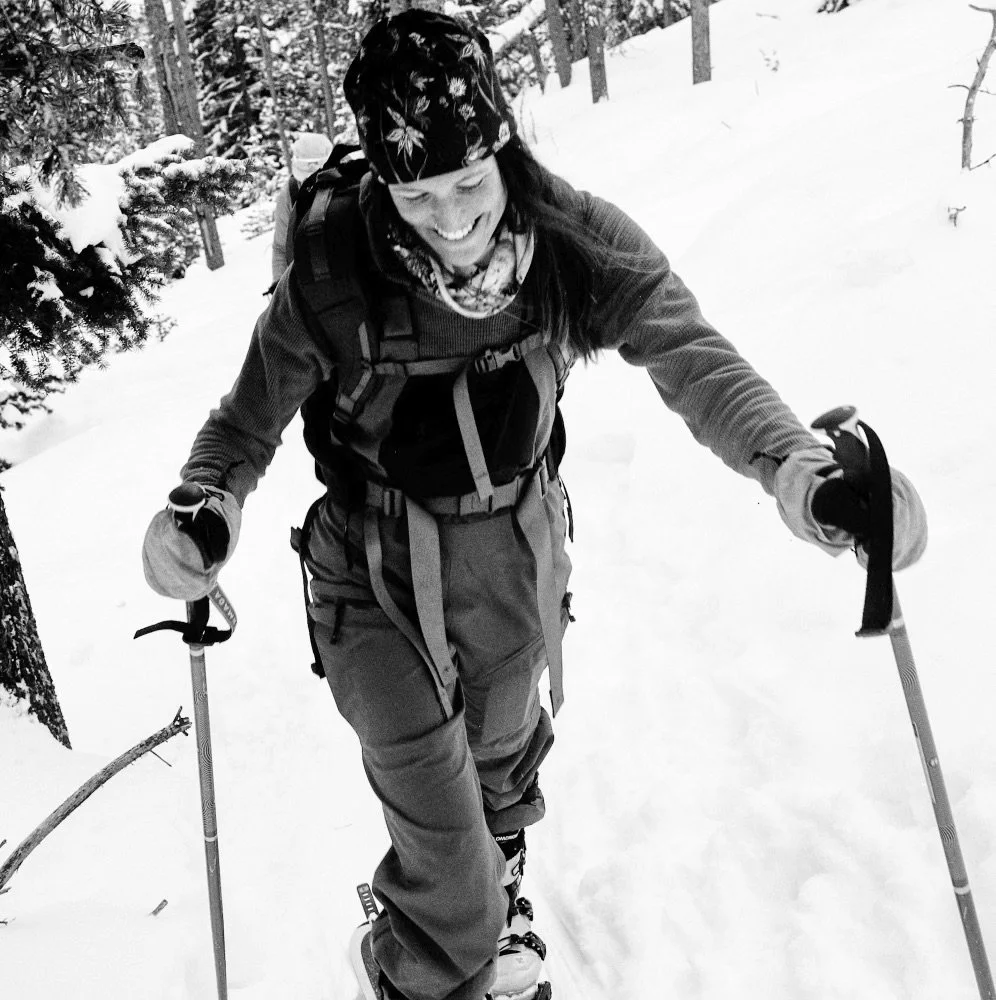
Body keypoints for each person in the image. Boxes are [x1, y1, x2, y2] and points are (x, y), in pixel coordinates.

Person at [142, 11, 928, 1000]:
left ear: (504, 146)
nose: (455, 218)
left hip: (516, 555)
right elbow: (241, 429)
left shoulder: (572, 240)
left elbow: (694, 355)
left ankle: (489, 900)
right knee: (450, 873)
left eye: (469, 182)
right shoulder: (334, 273)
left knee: (502, 762)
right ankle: (424, 959)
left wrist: (796, 467)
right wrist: (198, 511)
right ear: (385, 183)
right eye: (420, 195)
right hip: (369, 580)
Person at [271, 131, 335, 284]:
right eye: (305, 177)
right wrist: (279, 288)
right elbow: (280, 248)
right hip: (307, 283)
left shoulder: (347, 185)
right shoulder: (290, 194)